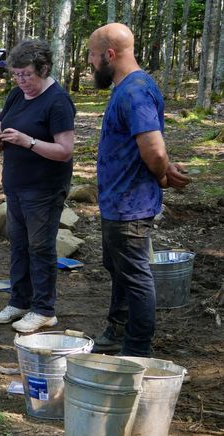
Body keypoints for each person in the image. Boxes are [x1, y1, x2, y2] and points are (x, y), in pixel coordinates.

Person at [87, 23, 190, 356]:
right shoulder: (129, 88)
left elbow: (154, 150)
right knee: (118, 268)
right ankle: (117, 329)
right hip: (118, 202)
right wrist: (163, 168)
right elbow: (148, 143)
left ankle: (137, 349)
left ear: (110, 55)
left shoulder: (134, 91)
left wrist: (162, 173)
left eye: (91, 55)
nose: (89, 62)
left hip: (130, 204)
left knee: (135, 276)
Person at [0, 39, 76, 333]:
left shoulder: (58, 101)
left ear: (43, 68)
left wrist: (29, 142)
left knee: (40, 248)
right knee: (19, 245)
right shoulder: (16, 95)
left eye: (26, 74)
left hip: (44, 187)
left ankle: (44, 309)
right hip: (16, 184)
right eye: (16, 74)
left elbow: (65, 150)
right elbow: (3, 128)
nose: (21, 80)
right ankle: (19, 301)